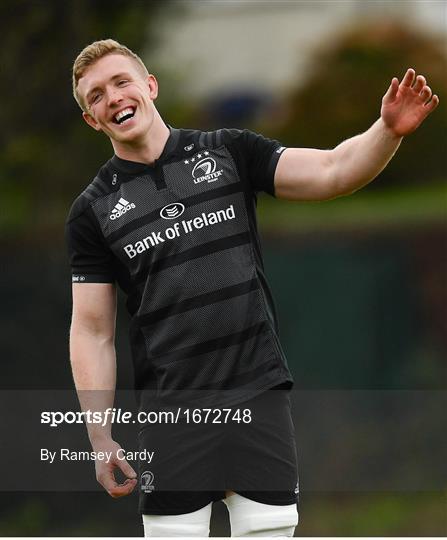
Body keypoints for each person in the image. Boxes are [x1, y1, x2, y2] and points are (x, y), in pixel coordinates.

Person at [66, 39, 438, 537]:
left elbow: (332, 170)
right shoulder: (92, 211)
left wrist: (387, 131)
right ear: (92, 120)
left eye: (121, 82)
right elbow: (92, 332)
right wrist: (100, 437)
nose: (112, 97)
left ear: (149, 86)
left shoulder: (228, 151)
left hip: (256, 393)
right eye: (96, 96)